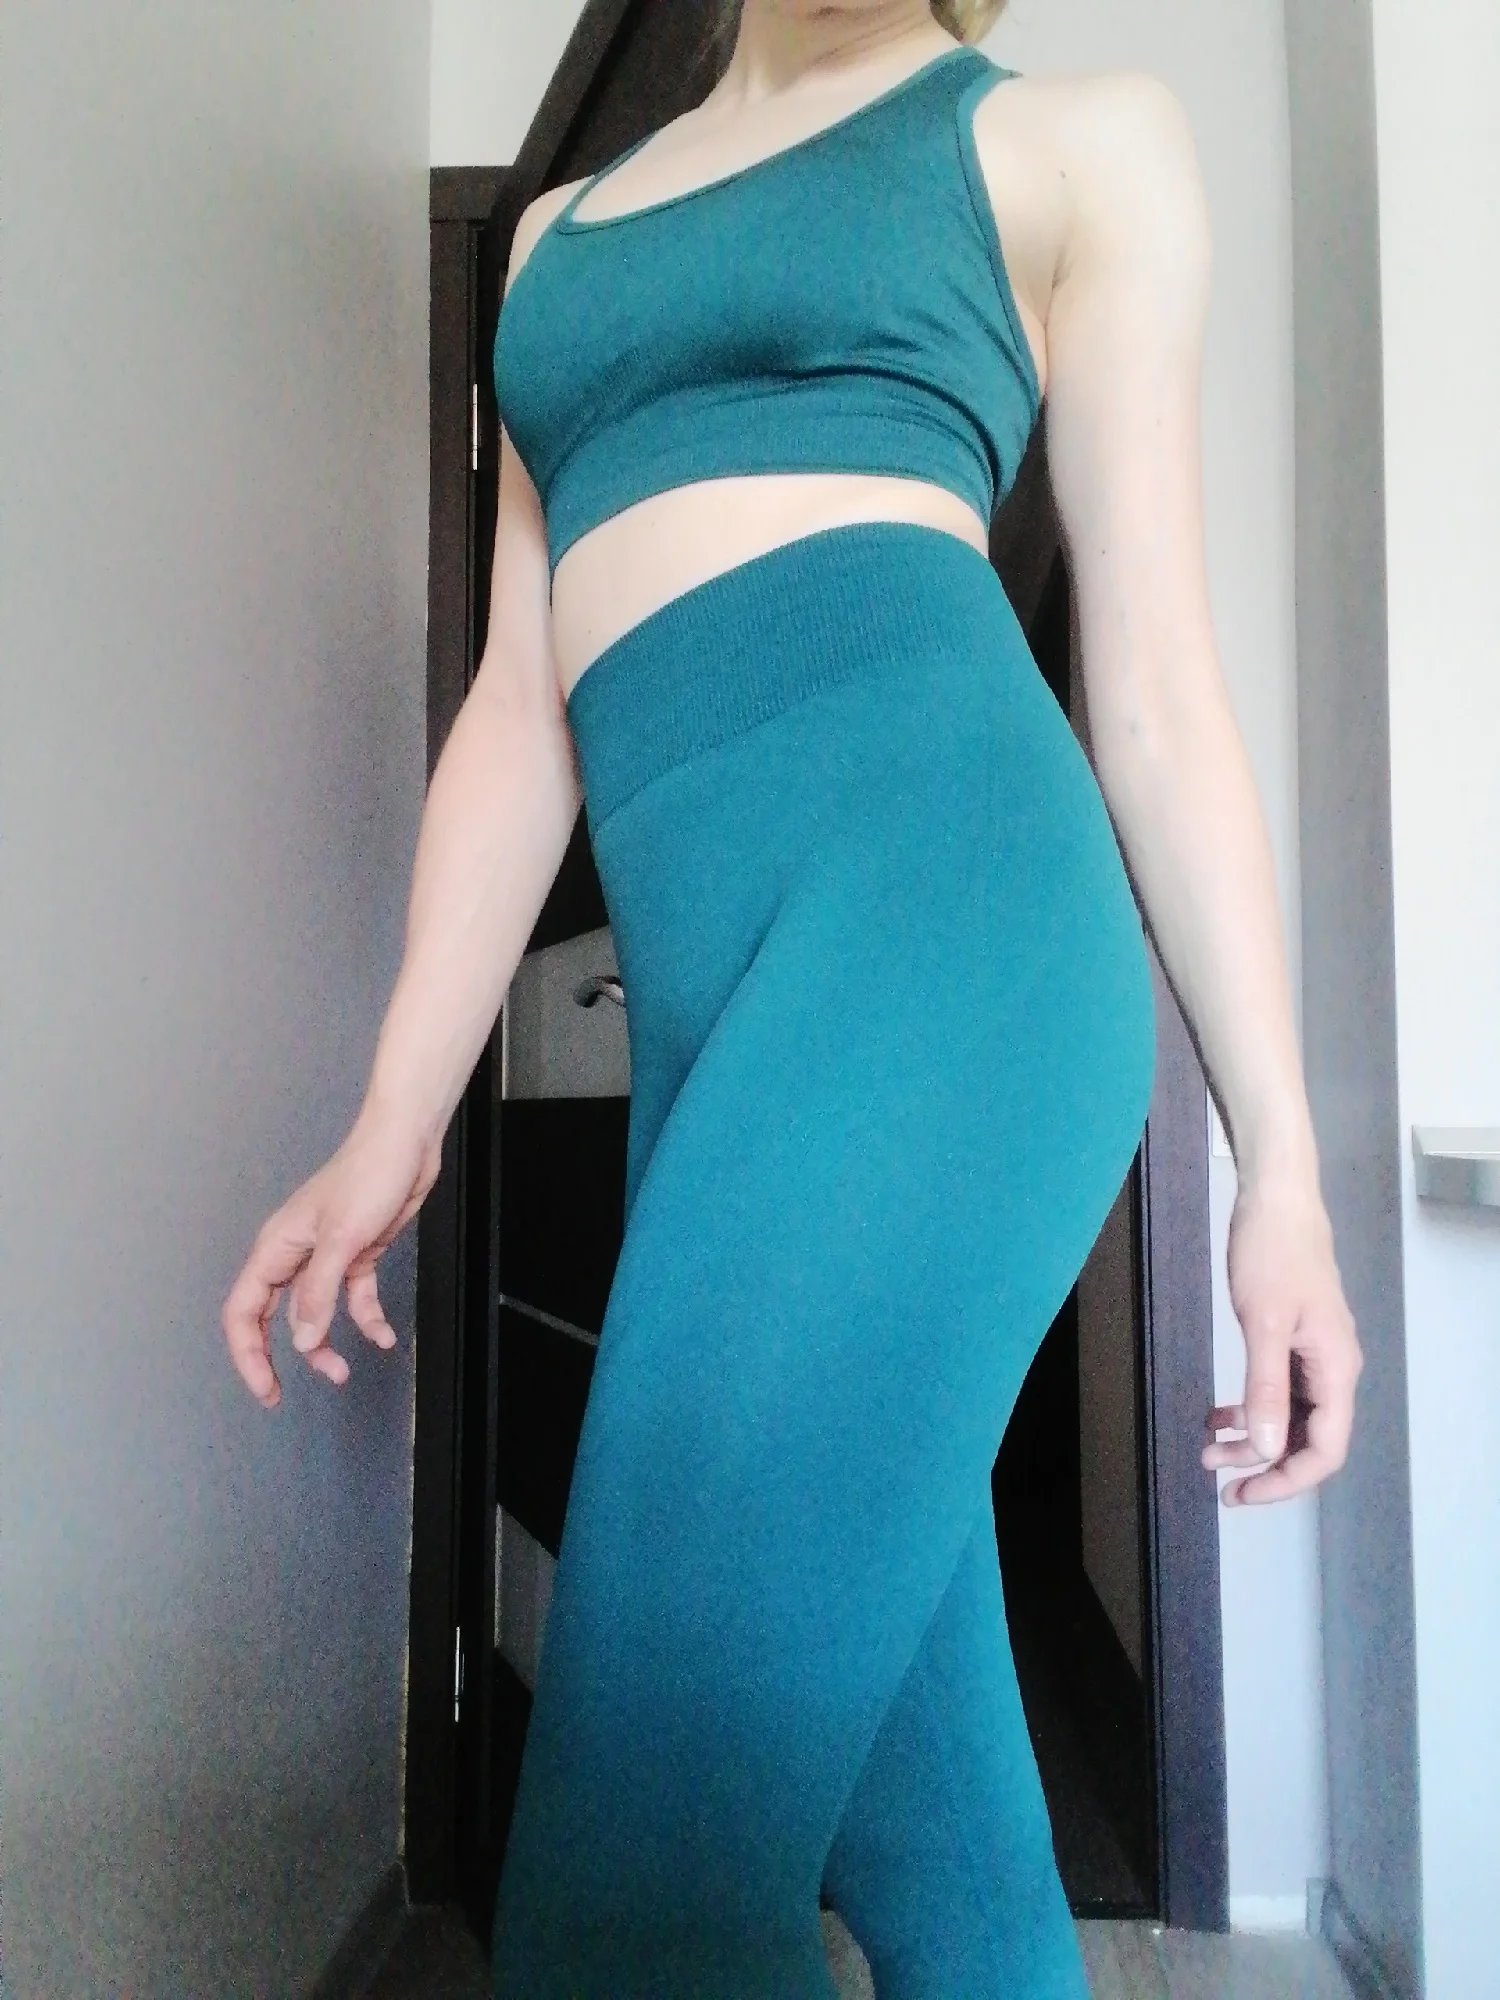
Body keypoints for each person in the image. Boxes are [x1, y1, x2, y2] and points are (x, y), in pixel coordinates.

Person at [223, 0, 1364, 1992]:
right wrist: (395, 1112)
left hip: (955, 954)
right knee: (936, 1845)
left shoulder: (1066, 139)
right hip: (719, 1044)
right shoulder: (558, 237)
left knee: (628, 1894)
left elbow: (1163, 698)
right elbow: (521, 708)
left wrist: (1283, 1167)